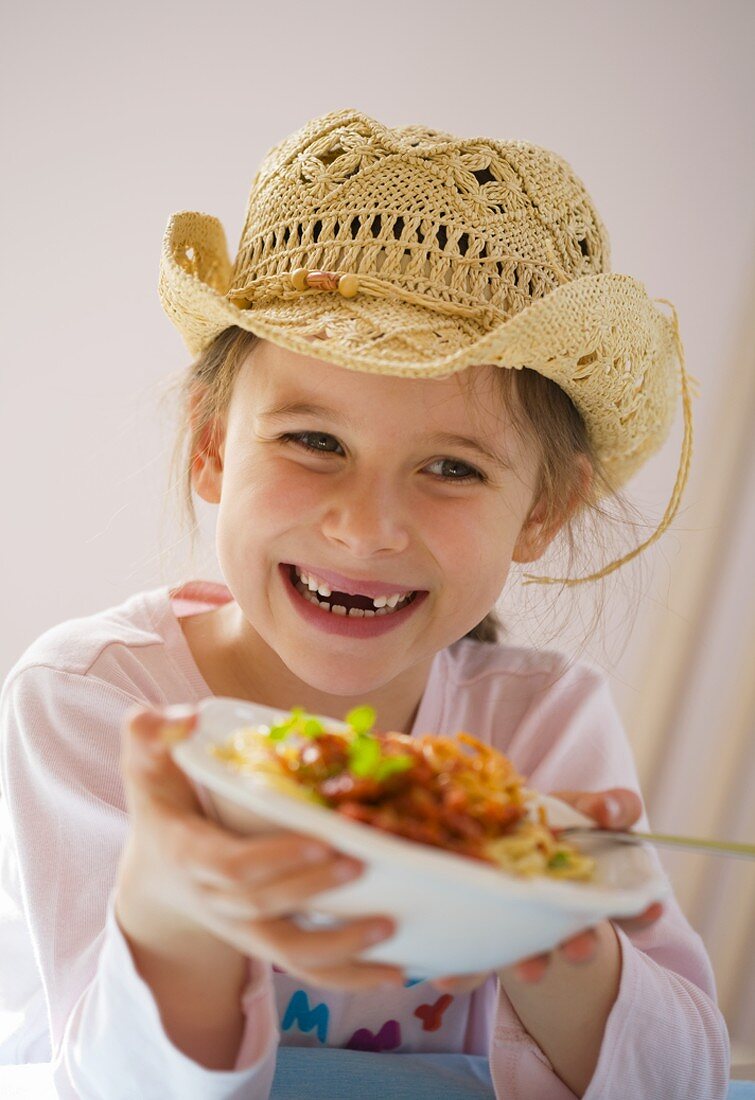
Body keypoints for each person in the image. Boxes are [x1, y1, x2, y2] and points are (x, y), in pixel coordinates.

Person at [0, 107, 730, 1099]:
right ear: (214, 444)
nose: (367, 526)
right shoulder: (92, 698)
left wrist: (547, 920)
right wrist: (171, 920)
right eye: (313, 442)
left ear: (540, 509)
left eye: (449, 466)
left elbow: (683, 1077)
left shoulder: (542, 724)